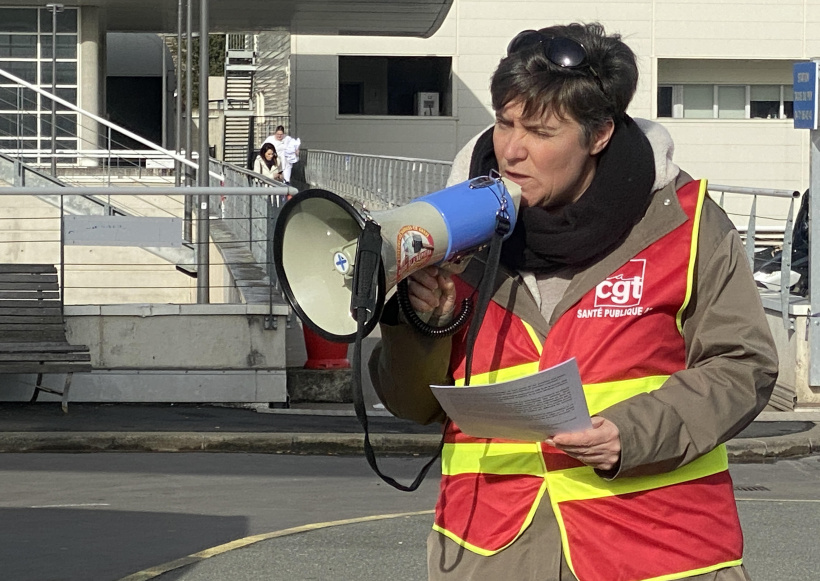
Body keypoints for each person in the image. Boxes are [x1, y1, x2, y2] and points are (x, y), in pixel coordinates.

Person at [368, 22, 778, 581]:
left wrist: (632, 433)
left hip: (658, 549)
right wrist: (427, 326)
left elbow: (743, 365)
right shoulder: (450, 230)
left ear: (600, 134)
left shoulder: (684, 222)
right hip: (492, 555)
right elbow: (411, 404)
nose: (511, 149)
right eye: (505, 122)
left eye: (540, 131)